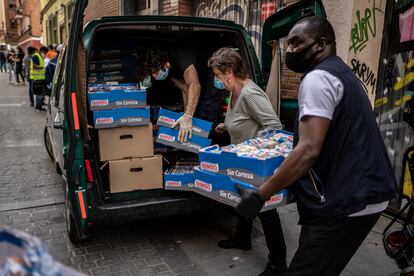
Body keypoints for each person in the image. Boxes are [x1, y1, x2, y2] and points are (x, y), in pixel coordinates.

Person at [235, 16, 397, 276]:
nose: (289, 51)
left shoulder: (317, 79)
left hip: (347, 200)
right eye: (288, 44)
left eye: (297, 43)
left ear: (322, 44)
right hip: (363, 193)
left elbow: (308, 150)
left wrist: (260, 195)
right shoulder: (342, 73)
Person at [207, 47, 287, 276]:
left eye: (218, 75)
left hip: (256, 163)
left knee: (266, 210)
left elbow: (275, 127)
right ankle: (243, 239)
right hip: (241, 159)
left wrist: (255, 148)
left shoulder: (251, 94)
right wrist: (226, 125)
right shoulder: (235, 91)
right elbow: (240, 119)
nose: (217, 80)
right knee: (242, 197)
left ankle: (279, 264)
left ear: (229, 72)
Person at [142, 46, 222, 142]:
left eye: (155, 72)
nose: (155, 77)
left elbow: (195, 86)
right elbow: (185, 89)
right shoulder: (169, 71)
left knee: (207, 108)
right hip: (197, 74)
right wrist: (185, 115)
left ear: (165, 64)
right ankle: (192, 143)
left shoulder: (181, 61)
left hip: (211, 68)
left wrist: (188, 116)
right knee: (192, 111)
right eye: (152, 74)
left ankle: (206, 144)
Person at [30, 47, 47, 112]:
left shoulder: (39, 56)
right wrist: (43, 67)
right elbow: (34, 66)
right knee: (38, 94)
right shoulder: (36, 56)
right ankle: (38, 107)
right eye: (45, 53)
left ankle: (40, 104)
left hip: (40, 78)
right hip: (36, 78)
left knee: (41, 93)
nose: (45, 54)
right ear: (42, 51)